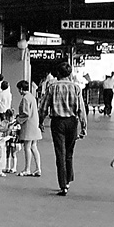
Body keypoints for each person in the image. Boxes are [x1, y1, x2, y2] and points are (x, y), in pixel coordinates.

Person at [38, 61, 88, 196]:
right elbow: (81, 109)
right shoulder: (76, 88)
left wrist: (40, 121)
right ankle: (68, 180)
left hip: (57, 122)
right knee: (69, 153)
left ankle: (63, 185)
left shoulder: (52, 87)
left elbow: (43, 107)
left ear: (58, 73)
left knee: (60, 153)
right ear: (70, 73)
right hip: (72, 122)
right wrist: (84, 126)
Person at [15, 80, 42, 177]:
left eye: (19, 89)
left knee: (27, 147)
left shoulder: (25, 99)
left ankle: (27, 169)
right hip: (35, 124)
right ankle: (38, 168)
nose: (18, 91)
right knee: (34, 147)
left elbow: (26, 114)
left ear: (21, 89)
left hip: (28, 125)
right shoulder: (32, 97)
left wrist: (18, 119)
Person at [0, 109, 20, 174]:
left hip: (14, 140)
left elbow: (18, 132)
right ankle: (8, 167)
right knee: (7, 153)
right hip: (8, 140)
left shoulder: (16, 123)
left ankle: (14, 167)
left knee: (13, 154)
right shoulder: (7, 123)